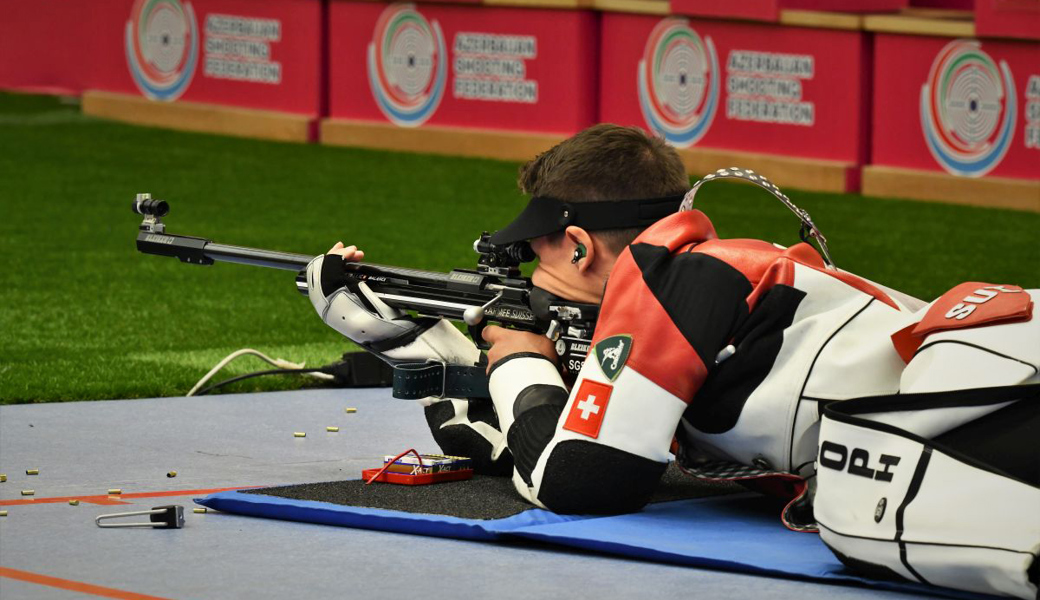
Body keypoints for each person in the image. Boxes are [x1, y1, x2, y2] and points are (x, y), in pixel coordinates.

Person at [305, 124, 1038, 599]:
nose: (529, 276)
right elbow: (543, 447)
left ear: (579, 246)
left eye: (534, 256)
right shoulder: (714, 272)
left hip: (989, 400)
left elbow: (579, 482)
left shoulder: (672, 283)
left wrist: (518, 358)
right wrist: (417, 349)